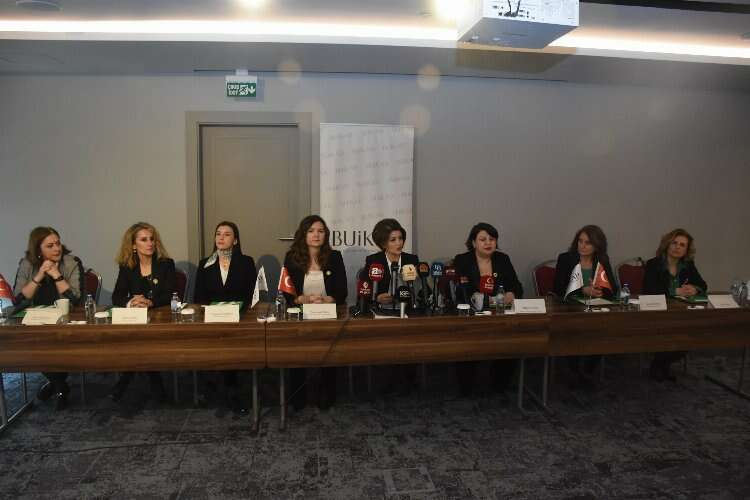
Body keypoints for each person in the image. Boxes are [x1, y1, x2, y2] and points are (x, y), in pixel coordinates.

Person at [13, 226, 83, 410]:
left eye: (58, 244)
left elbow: (76, 300)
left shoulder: (71, 262)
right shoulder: (27, 264)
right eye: (50, 246)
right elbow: (18, 300)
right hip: (35, 322)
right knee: (33, 345)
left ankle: (56, 385)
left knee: (55, 344)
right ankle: (60, 386)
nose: (57, 249)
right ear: (38, 250)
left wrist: (56, 275)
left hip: (65, 322)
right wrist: (39, 276)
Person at [282, 215, 347, 410]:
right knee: (297, 350)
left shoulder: (334, 257)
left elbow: (342, 291)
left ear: (326, 235)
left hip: (327, 313)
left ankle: (327, 391)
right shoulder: (292, 257)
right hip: (301, 314)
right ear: (303, 235)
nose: (316, 235)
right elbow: (287, 291)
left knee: (329, 349)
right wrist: (300, 299)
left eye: (320, 231)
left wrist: (329, 299)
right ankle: (298, 393)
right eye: (311, 231)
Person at [453, 222, 523, 396]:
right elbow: (461, 291)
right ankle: (466, 385)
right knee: (466, 341)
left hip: (500, 314)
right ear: (473, 242)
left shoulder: (502, 259)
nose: (488, 243)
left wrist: (512, 293)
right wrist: (482, 299)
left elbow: (517, 286)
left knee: (512, 340)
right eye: (482, 239)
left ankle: (500, 383)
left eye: (492, 239)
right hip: (472, 315)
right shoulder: (462, 260)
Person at [193, 221, 256, 413]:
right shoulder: (205, 263)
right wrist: (213, 311)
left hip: (238, 319)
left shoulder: (246, 262)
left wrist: (236, 310)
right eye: (218, 234)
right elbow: (198, 297)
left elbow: (251, 295)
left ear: (235, 240)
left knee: (232, 347)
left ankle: (232, 391)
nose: (221, 237)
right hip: (212, 318)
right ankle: (216, 388)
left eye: (227, 234)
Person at [109, 222, 175, 403]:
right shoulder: (127, 266)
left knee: (143, 340)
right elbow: (117, 296)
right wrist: (131, 302)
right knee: (138, 339)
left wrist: (150, 302)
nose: (150, 243)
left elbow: (170, 294)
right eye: (144, 240)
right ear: (133, 245)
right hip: (137, 318)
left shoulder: (166, 264)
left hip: (161, 318)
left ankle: (125, 380)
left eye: (152, 239)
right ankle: (155, 382)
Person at [553, 225, 618, 384]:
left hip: (594, 311)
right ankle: (574, 370)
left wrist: (600, 290)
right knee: (575, 330)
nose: (582, 246)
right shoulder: (566, 259)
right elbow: (558, 288)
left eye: (588, 243)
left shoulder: (602, 260)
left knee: (603, 331)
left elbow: (613, 289)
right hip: (569, 310)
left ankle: (588, 370)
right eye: (580, 241)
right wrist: (583, 289)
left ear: (597, 245)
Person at [364, 218, 420, 394]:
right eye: (393, 240)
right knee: (385, 340)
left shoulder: (411, 259)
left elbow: (420, 290)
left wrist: (414, 291)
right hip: (382, 312)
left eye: (400, 238)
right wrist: (377, 297)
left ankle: (408, 381)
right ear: (383, 243)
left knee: (410, 336)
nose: (399, 243)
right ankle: (385, 381)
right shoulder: (373, 261)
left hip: (407, 311)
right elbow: (365, 290)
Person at [643, 228, 707, 381]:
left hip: (682, 312)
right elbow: (649, 289)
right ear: (667, 244)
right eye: (674, 243)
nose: (677, 247)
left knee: (690, 336)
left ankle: (661, 364)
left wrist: (694, 289)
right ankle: (659, 365)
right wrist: (675, 291)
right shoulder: (653, 264)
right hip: (658, 312)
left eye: (682, 245)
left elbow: (703, 285)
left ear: (686, 250)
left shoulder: (688, 265)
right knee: (670, 332)